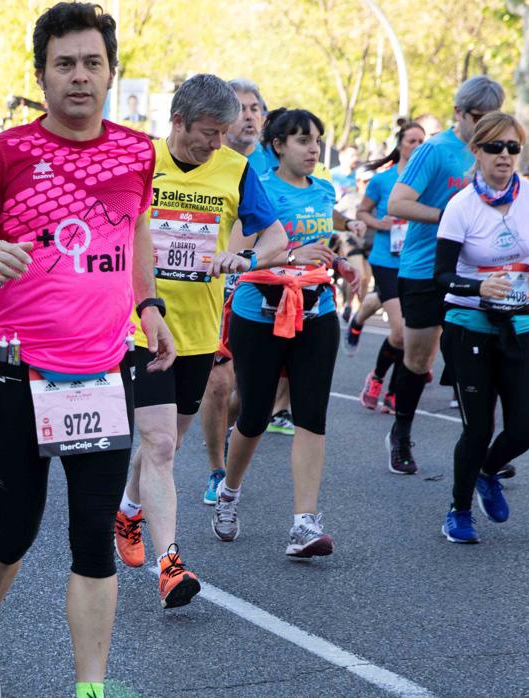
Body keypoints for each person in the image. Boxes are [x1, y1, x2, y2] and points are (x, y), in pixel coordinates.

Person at [0, 5, 172, 696]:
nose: (79, 76)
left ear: (111, 71)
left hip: (104, 371)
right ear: (40, 74)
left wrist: (149, 304)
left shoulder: (136, 150)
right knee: (14, 528)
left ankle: (91, 688)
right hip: (19, 369)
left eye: (92, 63)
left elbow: (134, 235)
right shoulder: (3, 154)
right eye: (64, 63)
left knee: (93, 536)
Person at [113, 73, 282, 609]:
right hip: (140, 326)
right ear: (178, 122)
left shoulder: (236, 170)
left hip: (199, 331)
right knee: (159, 444)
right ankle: (171, 566)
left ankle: (128, 507)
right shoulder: (141, 161)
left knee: (168, 443)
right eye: (208, 133)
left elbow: (276, 238)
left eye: (223, 133)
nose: (216, 143)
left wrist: (246, 258)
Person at [211, 108, 361, 556]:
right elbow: (238, 254)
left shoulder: (324, 190)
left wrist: (340, 260)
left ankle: (304, 524)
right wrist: (291, 257)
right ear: (277, 146)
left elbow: (323, 244)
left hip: (316, 312)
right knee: (254, 415)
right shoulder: (256, 189)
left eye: (316, 139)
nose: (313, 148)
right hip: (260, 315)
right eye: (301, 140)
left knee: (310, 415)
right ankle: (229, 492)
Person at [434, 112, 529, 543]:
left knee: (526, 426)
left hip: (519, 320)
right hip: (469, 325)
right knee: (478, 428)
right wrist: (479, 284)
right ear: (477, 151)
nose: (504, 156)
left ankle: (486, 472)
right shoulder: (461, 206)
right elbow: (441, 275)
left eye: (512, 147)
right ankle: (459, 510)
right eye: (495, 147)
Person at [385, 76, 504, 474]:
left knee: (480, 357)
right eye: (479, 116)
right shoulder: (435, 150)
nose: (487, 124)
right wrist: (450, 219)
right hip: (424, 268)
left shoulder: (495, 151)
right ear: (459, 113)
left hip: (477, 272)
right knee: (419, 357)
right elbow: (398, 203)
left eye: (494, 116)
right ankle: (400, 433)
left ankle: (481, 449)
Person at [199, 76, 275, 506]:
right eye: (240, 109)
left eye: (254, 108)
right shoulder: (210, 161)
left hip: (264, 288)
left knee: (249, 393)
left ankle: (231, 436)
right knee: (217, 382)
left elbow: (287, 230)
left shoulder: (276, 164)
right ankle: (216, 468)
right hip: (214, 288)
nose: (247, 116)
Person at [353, 122, 426, 413]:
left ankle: (395, 392)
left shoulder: (428, 179)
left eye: (422, 141)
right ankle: (377, 378)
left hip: (418, 261)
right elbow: (361, 211)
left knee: (414, 333)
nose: (417, 146)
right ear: (400, 144)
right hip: (386, 260)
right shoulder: (383, 181)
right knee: (399, 332)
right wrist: (377, 223)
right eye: (412, 141)